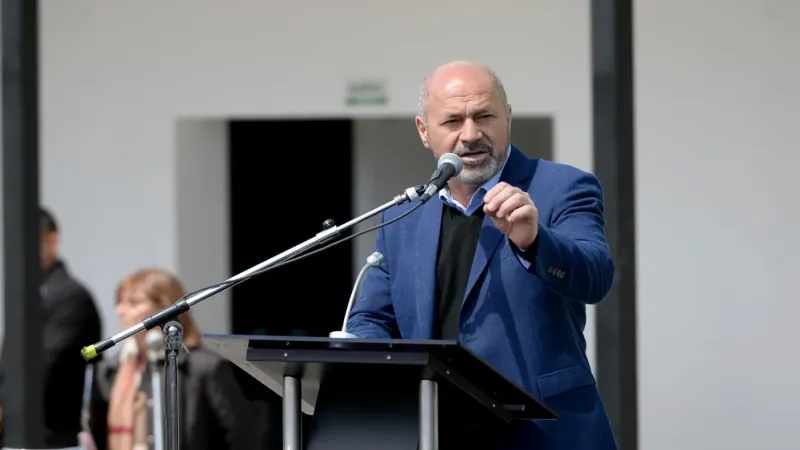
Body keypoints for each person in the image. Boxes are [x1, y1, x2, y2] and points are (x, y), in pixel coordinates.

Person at [347, 61, 617, 449]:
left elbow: (595, 277)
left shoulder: (563, 187)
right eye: (453, 121)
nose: (470, 134)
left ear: (507, 118)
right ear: (425, 131)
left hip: (545, 432)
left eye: (484, 116)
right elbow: (372, 317)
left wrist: (535, 240)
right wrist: (367, 361)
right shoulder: (402, 215)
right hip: (435, 431)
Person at [81, 267, 266, 450]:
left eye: (133, 302)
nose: (120, 310)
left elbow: (243, 436)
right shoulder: (111, 370)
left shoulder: (204, 367)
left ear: (163, 308)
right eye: (120, 302)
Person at [0, 207, 103, 447]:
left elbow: (42, 364)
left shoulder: (70, 296)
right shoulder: (30, 295)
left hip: (50, 436)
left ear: (51, 240)